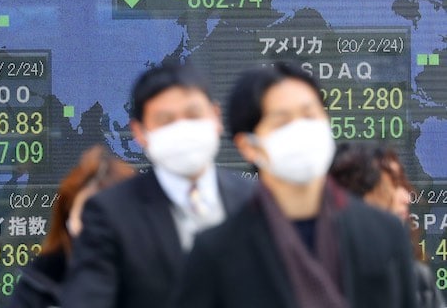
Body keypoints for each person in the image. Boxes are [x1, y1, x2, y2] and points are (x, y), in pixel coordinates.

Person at [173, 62, 417, 308]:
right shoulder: (217, 252)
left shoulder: (384, 233)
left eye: (310, 116)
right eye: (282, 122)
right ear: (248, 146)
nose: (301, 130)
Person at [62, 62, 255, 308]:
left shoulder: (255, 199)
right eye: (166, 120)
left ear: (216, 116)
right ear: (139, 132)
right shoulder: (109, 213)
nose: (182, 128)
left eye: (193, 115)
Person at [10, 144, 134, 308]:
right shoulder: (38, 284)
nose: (96, 229)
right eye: (86, 216)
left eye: (108, 218)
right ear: (67, 217)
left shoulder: (157, 283)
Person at [330, 142, 444, 308]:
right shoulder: (315, 276)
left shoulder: (420, 280)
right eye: (394, 184)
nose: (406, 197)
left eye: (402, 184)